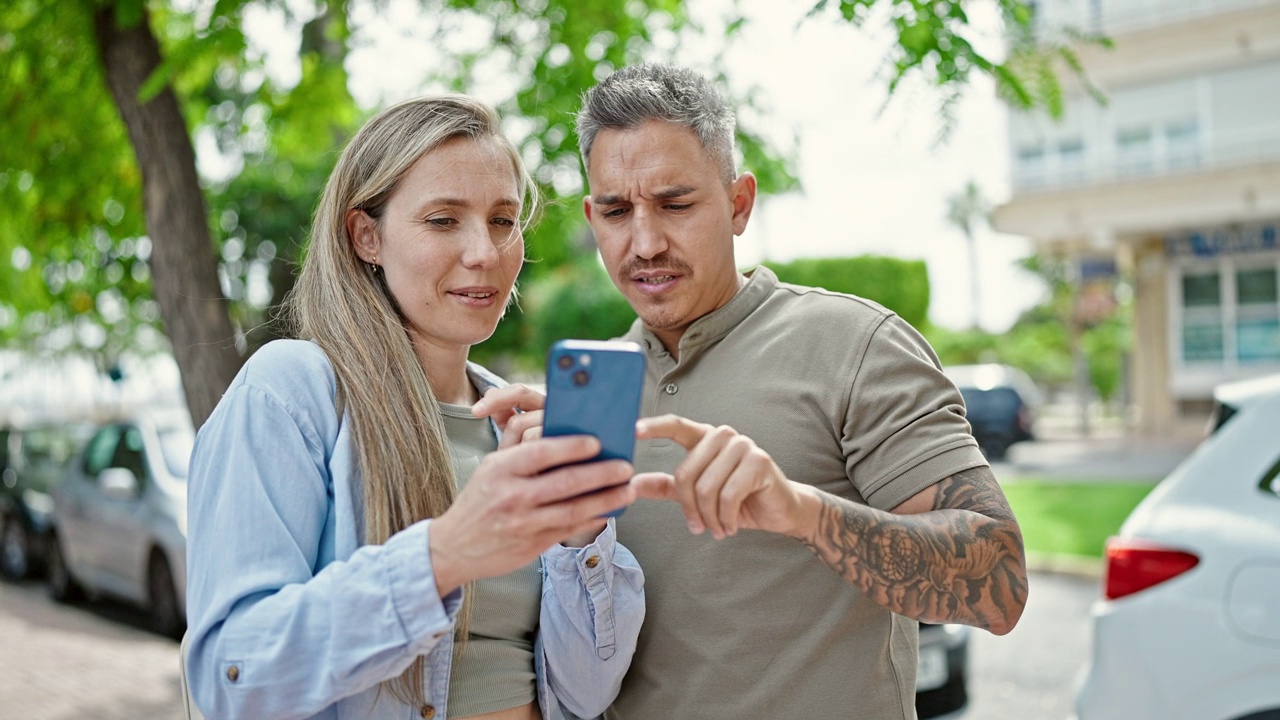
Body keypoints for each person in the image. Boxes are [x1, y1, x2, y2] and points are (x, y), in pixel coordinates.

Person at [574, 64, 1029, 718]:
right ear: (593, 217)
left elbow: (1000, 585)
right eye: (616, 211)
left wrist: (803, 513)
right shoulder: (589, 392)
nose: (644, 242)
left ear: (739, 204)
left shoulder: (856, 344)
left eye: (675, 204)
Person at [185, 94, 644, 720]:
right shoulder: (291, 391)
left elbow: (583, 695)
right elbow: (229, 678)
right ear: (367, 236)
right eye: (442, 220)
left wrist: (578, 536)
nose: (484, 252)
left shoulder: (514, 426)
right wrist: (445, 553)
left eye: (503, 220)